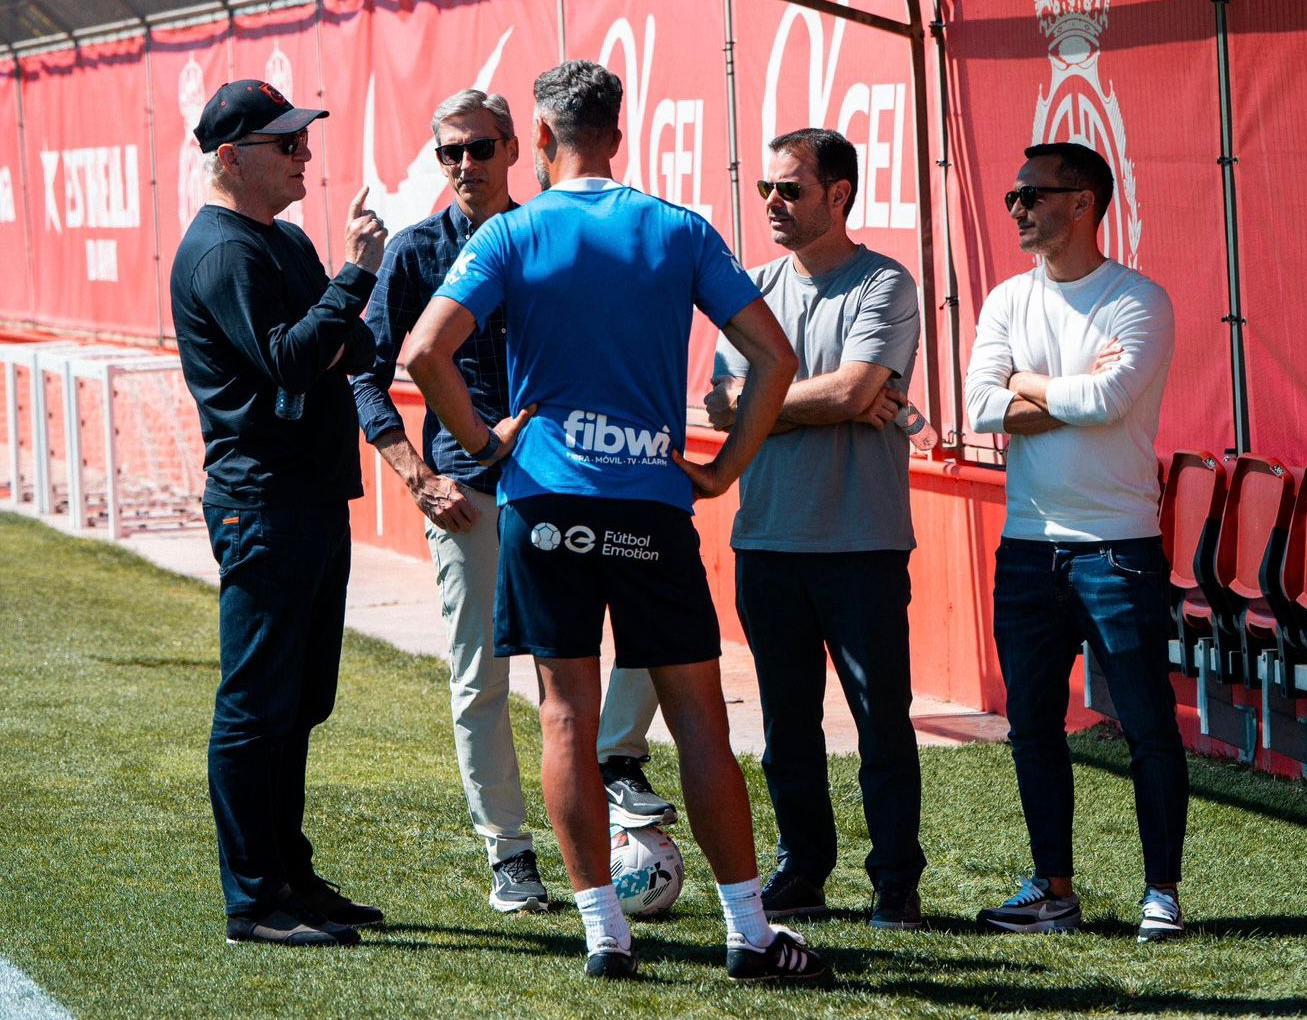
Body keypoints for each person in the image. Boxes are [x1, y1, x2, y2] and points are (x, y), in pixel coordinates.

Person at [403, 60, 826, 983]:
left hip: (545, 505)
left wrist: (480, 442)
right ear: (619, 136)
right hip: (650, 505)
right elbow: (776, 357)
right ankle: (750, 935)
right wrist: (726, 470)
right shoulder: (678, 229)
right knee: (698, 720)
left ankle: (605, 937)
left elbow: (425, 352)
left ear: (539, 139)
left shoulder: (512, 232)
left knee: (564, 716)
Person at [350, 89, 671, 916]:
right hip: (466, 495)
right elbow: (367, 372)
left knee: (644, 633)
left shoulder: (546, 234)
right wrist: (416, 476)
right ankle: (511, 855)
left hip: (564, 483)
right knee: (480, 680)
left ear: (516, 150)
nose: (466, 165)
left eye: (481, 148)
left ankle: (614, 758)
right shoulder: (417, 252)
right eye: (450, 152)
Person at [170, 79, 387, 947]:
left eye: (303, 139)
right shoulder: (223, 252)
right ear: (231, 158)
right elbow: (296, 359)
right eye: (286, 143)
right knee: (257, 705)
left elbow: (354, 344)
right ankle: (254, 899)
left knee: (299, 703)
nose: (305, 154)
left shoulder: (282, 240)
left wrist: (332, 318)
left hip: (309, 496)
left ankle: (289, 876)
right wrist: (354, 277)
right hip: (261, 504)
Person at [964, 141, 1187, 943]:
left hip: (1119, 549)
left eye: (1032, 195)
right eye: (1012, 197)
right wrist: (1066, 389)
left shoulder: (1139, 299)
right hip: (1027, 547)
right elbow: (979, 408)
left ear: (1084, 202)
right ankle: (1052, 890)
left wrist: (1025, 382)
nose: (1018, 209)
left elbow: (1110, 400)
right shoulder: (1006, 299)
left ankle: (1162, 894)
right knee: (1032, 726)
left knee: (1147, 724)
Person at [706, 128, 927, 929]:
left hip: (862, 544)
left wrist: (779, 403)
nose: (773, 202)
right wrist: (830, 400)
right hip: (767, 541)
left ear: (839, 195)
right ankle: (803, 870)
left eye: (790, 189)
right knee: (786, 728)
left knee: (881, 724)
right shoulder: (751, 287)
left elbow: (853, 391)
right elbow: (721, 406)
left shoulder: (885, 284)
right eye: (766, 188)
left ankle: (895, 882)